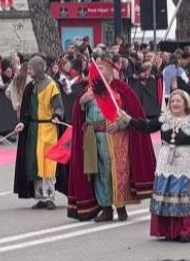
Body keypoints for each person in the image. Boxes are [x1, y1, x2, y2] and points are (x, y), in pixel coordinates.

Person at [66, 53, 155, 222]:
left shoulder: (121, 89)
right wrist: (82, 102)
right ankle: (105, 208)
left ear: (110, 69)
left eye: (101, 67)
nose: (97, 70)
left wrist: (121, 124)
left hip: (115, 137)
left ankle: (120, 207)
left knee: (116, 173)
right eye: (96, 67)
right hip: (93, 137)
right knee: (98, 173)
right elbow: (79, 112)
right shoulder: (89, 89)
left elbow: (133, 113)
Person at [119, 89, 190, 242]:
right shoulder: (164, 119)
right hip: (166, 162)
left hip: (185, 163)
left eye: (178, 101)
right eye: (172, 101)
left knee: (184, 197)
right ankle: (169, 230)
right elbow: (146, 127)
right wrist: (129, 119)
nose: (174, 103)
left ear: (185, 104)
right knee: (167, 196)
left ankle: (185, 230)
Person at [13, 56, 65, 210]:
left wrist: (56, 116)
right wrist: (23, 122)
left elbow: (58, 106)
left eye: (30, 69)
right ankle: (40, 196)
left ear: (38, 68)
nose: (28, 71)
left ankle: (49, 196)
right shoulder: (30, 87)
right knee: (34, 163)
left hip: (48, 128)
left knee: (48, 163)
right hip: (34, 130)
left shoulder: (51, 86)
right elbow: (27, 110)